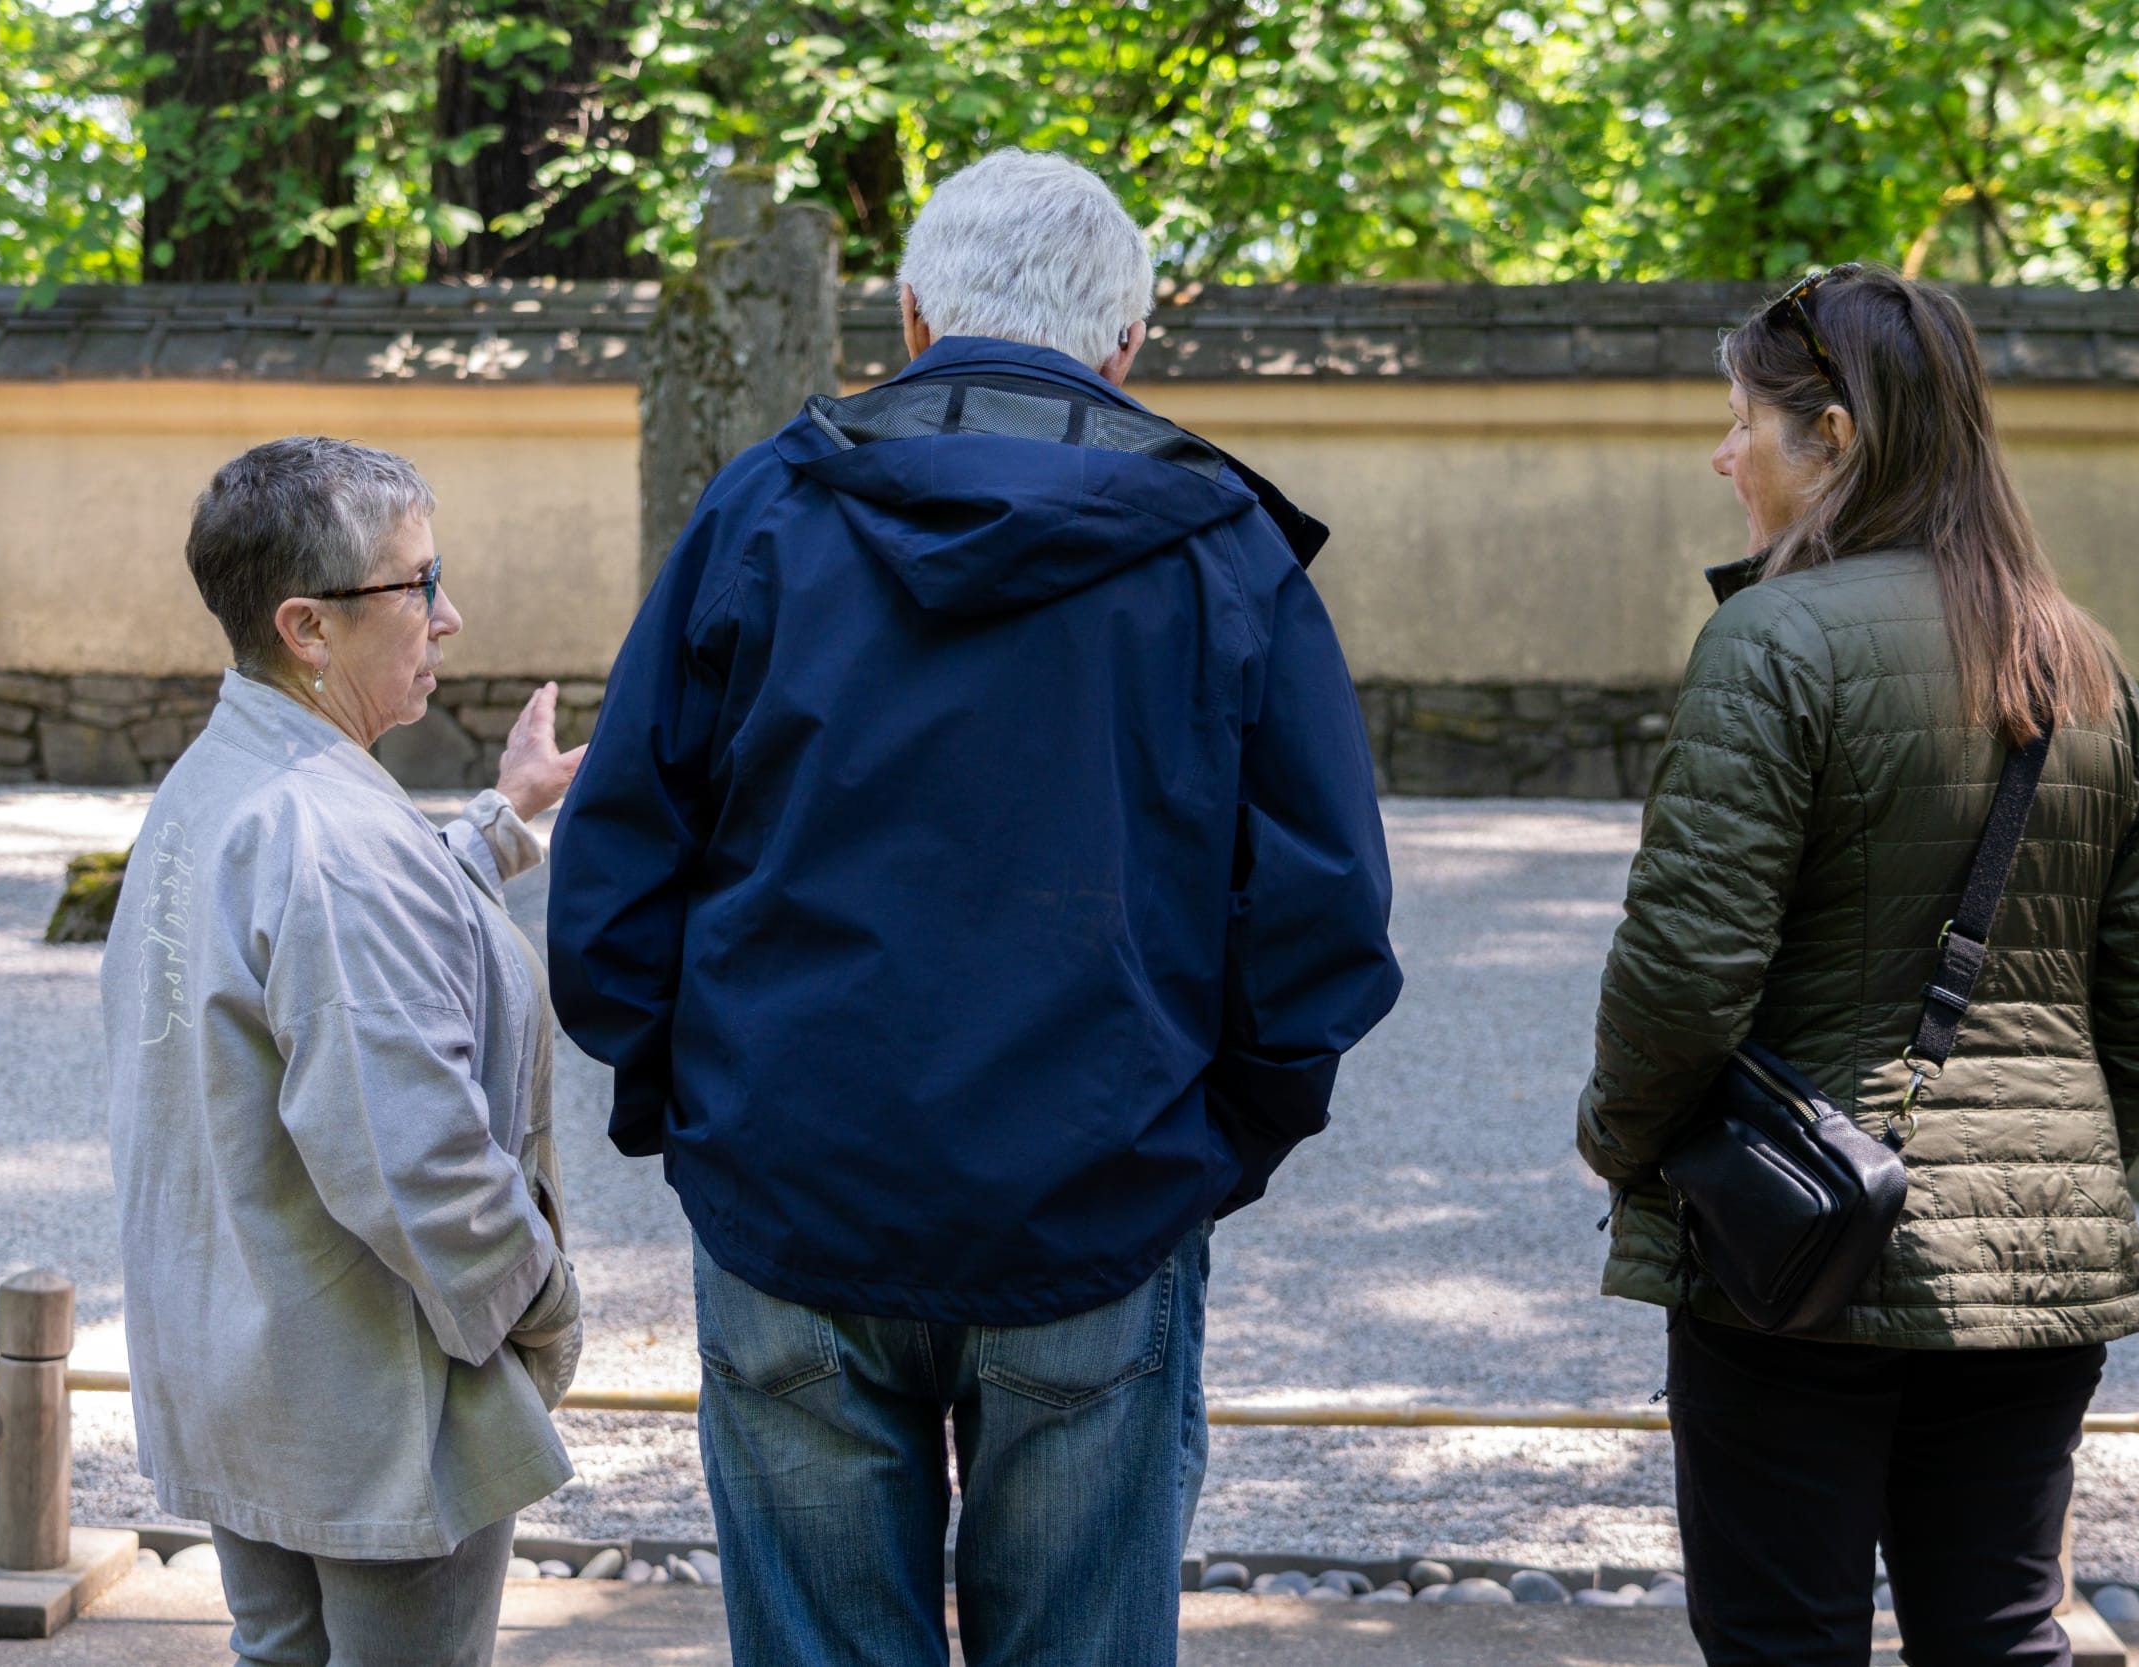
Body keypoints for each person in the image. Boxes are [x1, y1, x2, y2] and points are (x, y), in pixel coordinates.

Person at [548, 148, 1402, 1666]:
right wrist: (1212, 1148)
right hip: (1098, 1188)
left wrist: (694, 1109)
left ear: (911, 311)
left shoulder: (765, 508)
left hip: (793, 1182)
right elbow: (1320, 926)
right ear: (1128, 341)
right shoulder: (1221, 549)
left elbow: (615, 875)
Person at [1576, 265, 2139, 1667]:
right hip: (2039, 1254)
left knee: (1784, 1633)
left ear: (1837, 438)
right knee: (1997, 1630)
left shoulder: (1771, 644)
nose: (1724, 451)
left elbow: (1687, 971)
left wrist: (1620, 1141)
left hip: (1794, 1247)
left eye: (1746, 418)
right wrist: (2047, 1150)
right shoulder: (2088, 662)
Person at [101, 436, 589, 1667]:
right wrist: (540, 1301)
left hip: (247, 1359)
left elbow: (347, 946)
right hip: (375, 1386)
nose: (450, 613)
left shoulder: (220, 783)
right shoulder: (323, 834)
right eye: (418, 584)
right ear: (309, 627)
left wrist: (503, 815)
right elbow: (413, 1161)